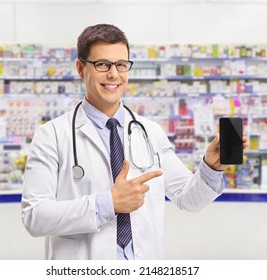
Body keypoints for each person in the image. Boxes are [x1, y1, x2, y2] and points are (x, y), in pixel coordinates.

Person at [21, 23, 249, 260]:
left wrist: (211, 167)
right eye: (102, 64)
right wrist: (107, 203)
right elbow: (34, 216)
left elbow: (188, 198)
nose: (113, 74)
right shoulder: (52, 135)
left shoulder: (150, 132)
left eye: (121, 64)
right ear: (81, 68)